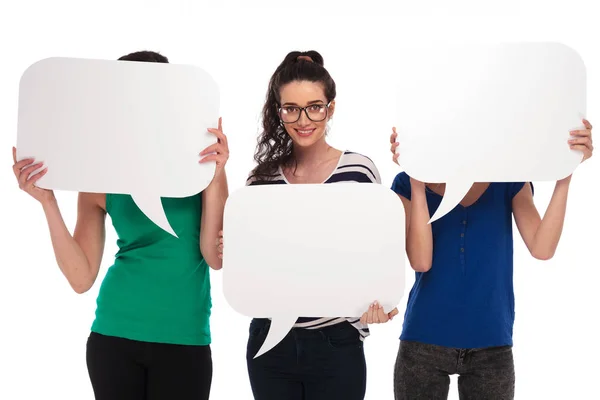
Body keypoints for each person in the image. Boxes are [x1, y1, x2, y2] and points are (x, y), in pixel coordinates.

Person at [11, 50, 229, 400]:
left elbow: (215, 258)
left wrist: (218, 176)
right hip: (114, 336)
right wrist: (47, 202)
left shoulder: (201, 168)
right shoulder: (100, 175)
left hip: (184, 338)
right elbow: (81, 278)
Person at [217, 50, 397, 400]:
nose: (304, 119)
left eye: (315, 106)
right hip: (269, 342)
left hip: (336, 342)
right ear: (278, 110)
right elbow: (256, 263)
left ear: (330, 108)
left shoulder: (359, 172)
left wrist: (377, 305)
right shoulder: (263, 180)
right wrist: (236, 251)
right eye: (291, 109)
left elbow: (376, 253)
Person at [388, 119, 594, 399]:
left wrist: (565, 175)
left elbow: (542, 248)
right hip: (423, 341)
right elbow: (421, 261)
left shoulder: (508, 181)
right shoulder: (405, 185)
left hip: (492, 345)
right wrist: (417, 179)